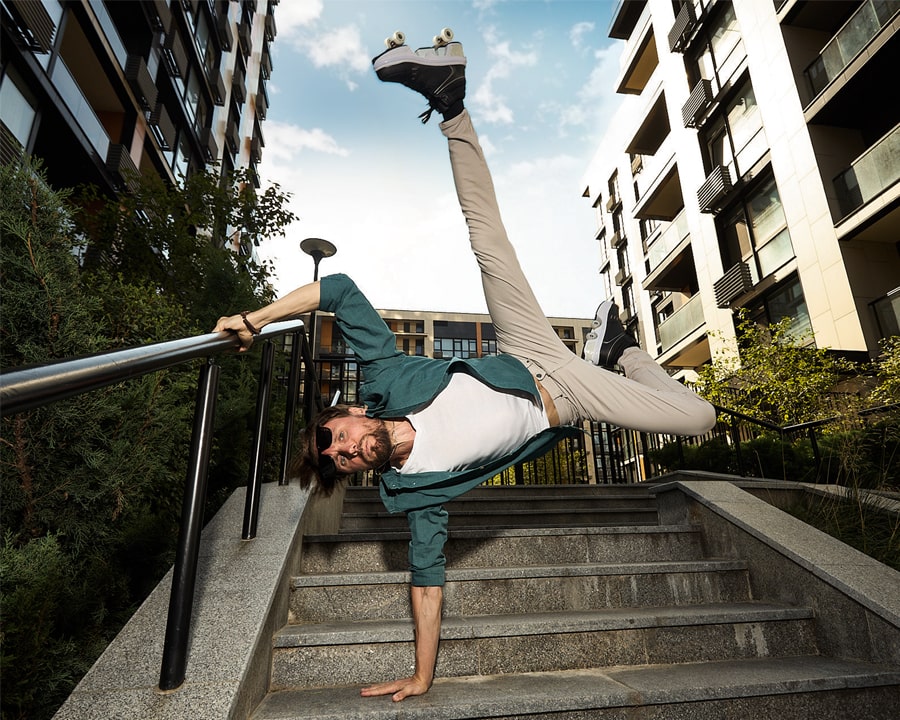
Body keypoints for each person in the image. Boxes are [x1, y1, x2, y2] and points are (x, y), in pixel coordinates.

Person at [214, 37, 716, 702]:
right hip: (570, 398)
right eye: (339, 459)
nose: (347, 449)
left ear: (357, 411)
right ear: (358, 470)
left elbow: (335, 289)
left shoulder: (388, 377)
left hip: (526, 349)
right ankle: (619, 351)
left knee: (488, 242)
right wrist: (423, 676)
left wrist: (253, 318)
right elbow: (425, 582)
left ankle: (449, 101)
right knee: (701, 418)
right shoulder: (416, 496)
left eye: (336, 435)